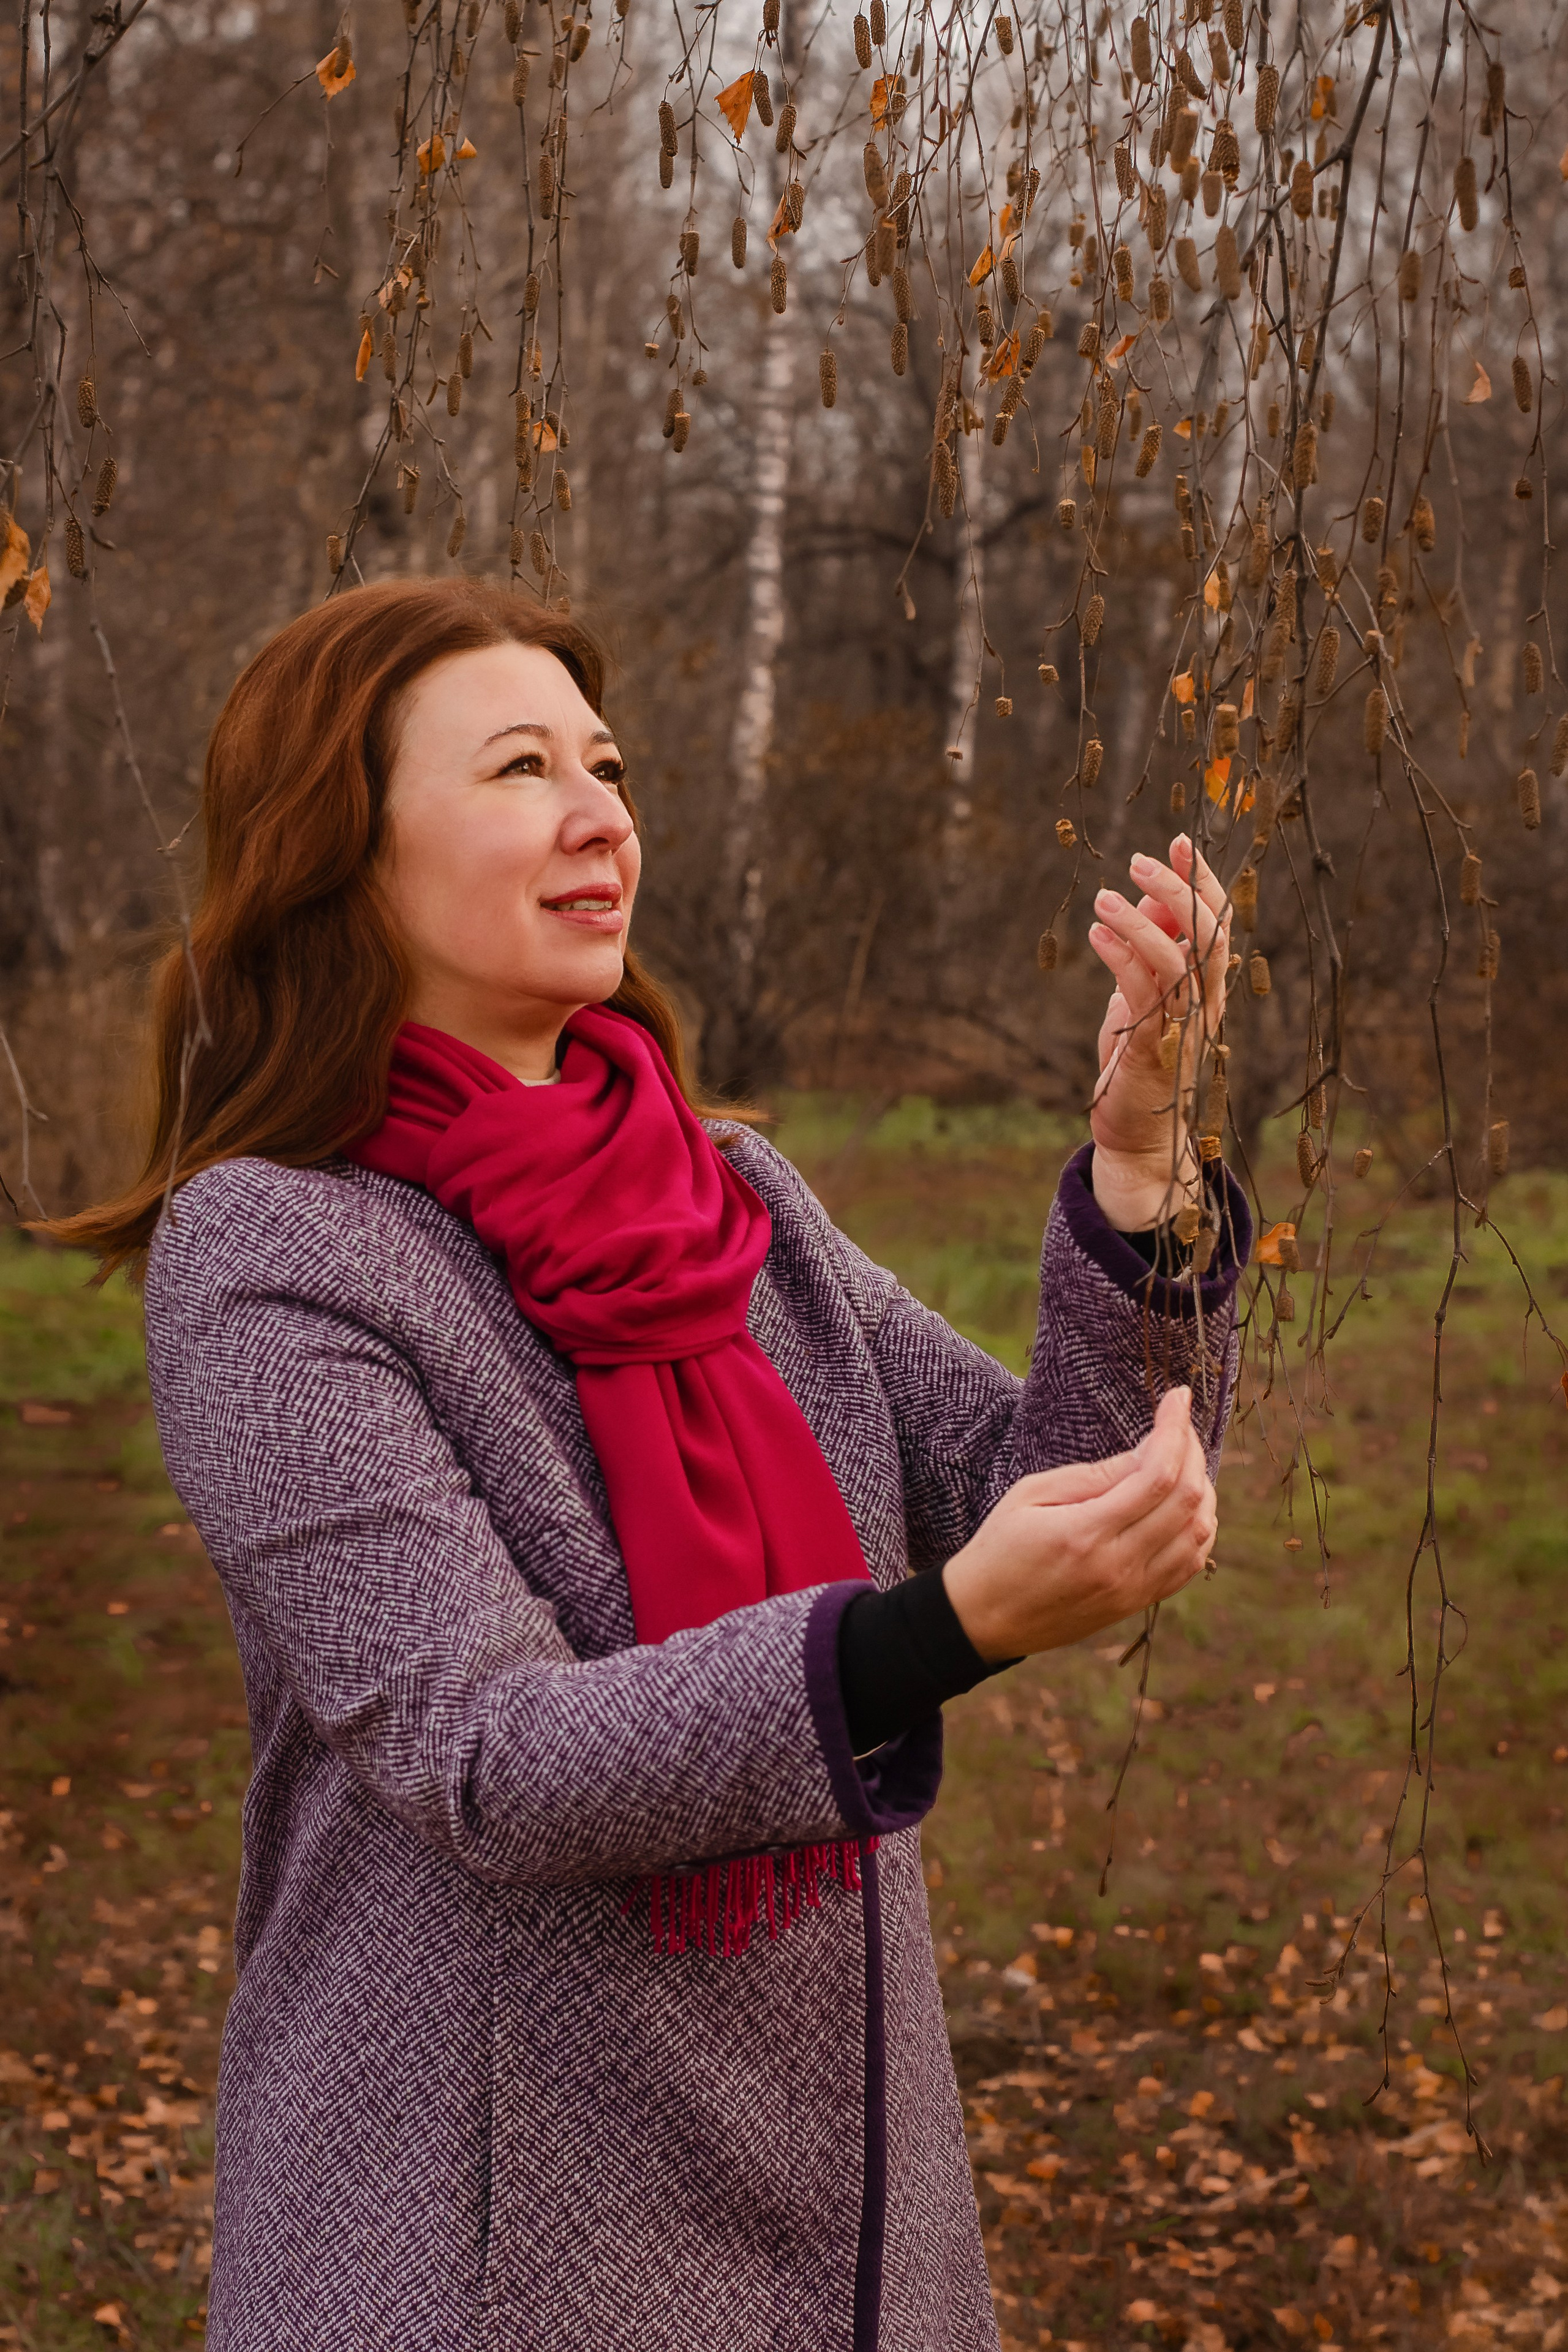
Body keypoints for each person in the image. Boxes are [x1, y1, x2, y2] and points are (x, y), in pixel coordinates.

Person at [56, 576, 1250, 2352]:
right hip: (495, 2245)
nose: (602, 813)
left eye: (604, 764)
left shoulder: (733, 1196)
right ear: (341, 851)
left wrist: (1142, 1157)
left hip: (855, 2230)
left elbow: (1057, 1478)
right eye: (521, 768)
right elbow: (486, 1753)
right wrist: (932, 1636)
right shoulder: (275, 1255)